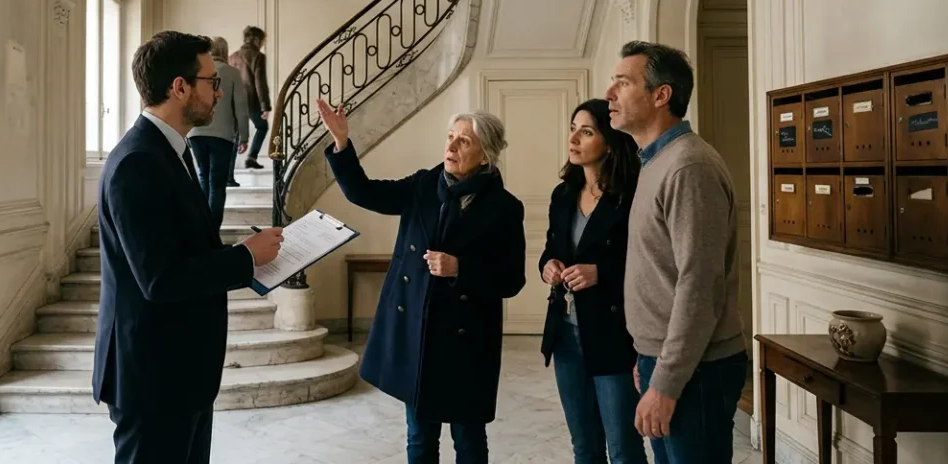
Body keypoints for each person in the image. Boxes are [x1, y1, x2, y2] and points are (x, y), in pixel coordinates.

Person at [92, 30, 284, 464]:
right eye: (211, 82)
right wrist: (245, 257)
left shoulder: (169, 152)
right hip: (152, 374)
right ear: (179, 87)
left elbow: (182, 251)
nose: (218, 93)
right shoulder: (139, 161)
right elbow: (160, 279)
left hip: (179, 370)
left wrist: (246, 254)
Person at [317, 98, 526, 464]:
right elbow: (363, 192)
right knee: (419, 438)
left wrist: (461, 268)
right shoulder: (423, 185)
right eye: (450, 137)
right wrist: (341, 143)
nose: (451, 146)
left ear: (486, 154)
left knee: (469, 440)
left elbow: (511, 279)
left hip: (467, 341)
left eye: (464, 141)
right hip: (421, 334)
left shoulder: (505, 207)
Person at [605, 40, 746, 464]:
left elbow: (699, 287)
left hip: (697, 369)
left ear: (660, 95)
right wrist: (648, 355)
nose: (610, 94)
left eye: (622, 83)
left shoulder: (689, 167)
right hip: (667, 358)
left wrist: (666, 380)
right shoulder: (655, 161)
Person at [539, 99, 646, 464]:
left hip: (614, 333)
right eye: (573, 128)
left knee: (623, 449)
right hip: (566, 334)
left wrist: (601, 273)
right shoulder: (563, 194)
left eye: (587, 131)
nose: (574, 138)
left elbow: (650, 264)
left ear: (611, 141)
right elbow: (550, 249)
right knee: (583, 446)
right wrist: (548, 267)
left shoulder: (632, 196)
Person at [187, 37, 249, 225]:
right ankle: (212, 233)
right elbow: (240, 105)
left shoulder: (196, 71)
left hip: (196, 133)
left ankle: (201, 231)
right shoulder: (232, 73)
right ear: (225, 51)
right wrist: (244, 136)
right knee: (217, 185)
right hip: (222, 136)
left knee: (202, 179)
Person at [229, 25, 272, 170]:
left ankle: (229, 171)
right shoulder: (258, 57)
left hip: (234, 101)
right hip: (251, 101)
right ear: (256, 40)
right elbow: (260, 82)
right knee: (262, 127)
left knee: (235, 134)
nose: (262, 44)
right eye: (262, 41)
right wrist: (265, 106)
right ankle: (251, 157)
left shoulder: (233, 56)